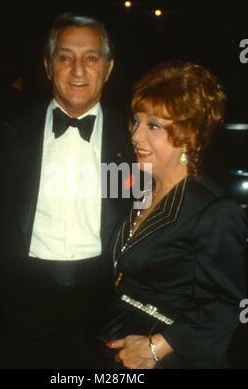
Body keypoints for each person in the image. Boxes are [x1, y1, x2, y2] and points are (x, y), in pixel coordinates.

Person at [0, 13, 132, 368]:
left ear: (109, 67)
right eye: (65, 57)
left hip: (102, 293)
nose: (78, 71)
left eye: (91, 58)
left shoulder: (131, 136)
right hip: (23, 289)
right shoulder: (9, 127)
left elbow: (140, 209)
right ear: (48, 65)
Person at [95, 60, 247, 369]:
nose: (136, 136)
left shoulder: (214, 210)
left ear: (189, 133)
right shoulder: (142, 191)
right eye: (135, 122)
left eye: (153, 125)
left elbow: (232, 306)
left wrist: (156, 347)